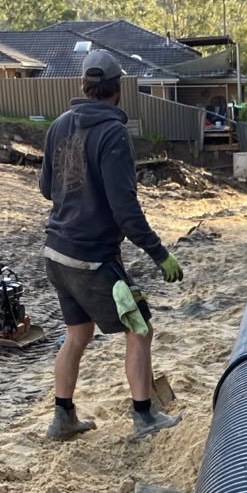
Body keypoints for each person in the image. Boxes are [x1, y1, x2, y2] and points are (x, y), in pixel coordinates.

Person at [39, 48, 185, 441]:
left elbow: (45, 188)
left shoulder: (59, 125)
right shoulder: (113, 133)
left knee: (78, 334)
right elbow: (126, 210)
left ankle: (63, 417)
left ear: (84, 85)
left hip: (56, 253)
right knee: (139, 328)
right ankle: (144, 416)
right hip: (92, 259)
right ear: (118, 87)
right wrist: (160, 254)